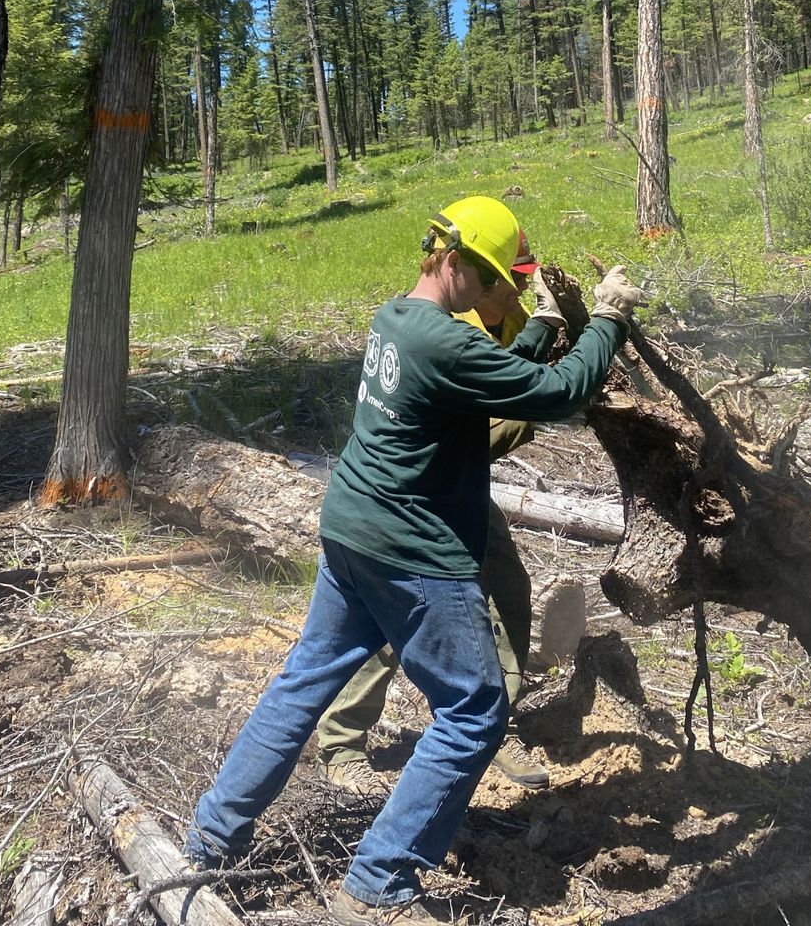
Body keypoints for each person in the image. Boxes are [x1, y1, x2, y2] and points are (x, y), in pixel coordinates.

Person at [186, 196, 645, 926]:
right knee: (474, 711)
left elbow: (472, 384)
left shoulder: (397, 320)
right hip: (412, 549)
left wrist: (539, 336)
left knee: (302, 682)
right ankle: (379, 883)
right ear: (461, 266)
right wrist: (612, 321)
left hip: (353, 528)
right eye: (503, 284)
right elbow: (560, 396)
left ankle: (209, 839)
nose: (510, 299)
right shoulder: (446, 342)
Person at [314, 230, 564, 795]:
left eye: (524, 282)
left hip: (459, 483)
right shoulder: (457, 319)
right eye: (513, 283)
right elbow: (494, 417)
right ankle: (342, 740)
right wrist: (547, 389)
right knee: (396, 613)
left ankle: (494, 720)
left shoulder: (500, 308)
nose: (516, 294)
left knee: (507, 587)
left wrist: (550, 332)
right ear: (478, 272)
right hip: (419, 490)